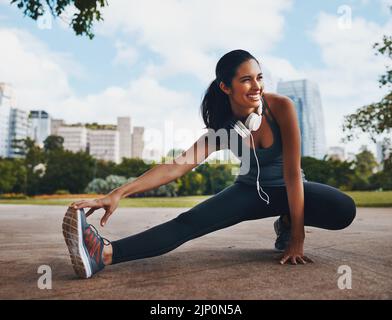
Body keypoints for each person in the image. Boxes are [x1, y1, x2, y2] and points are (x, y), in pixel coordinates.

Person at [62, 49, 356, 279]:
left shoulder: (281, 107)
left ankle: (287, 223)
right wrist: (118, 193)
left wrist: (297, 238)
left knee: (344, 209)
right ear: (225, 87)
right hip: (249, 192)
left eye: (259, 77)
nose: (257, 87)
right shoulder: (223, 129)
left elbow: (292, 175)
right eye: (246, 80)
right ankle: (103, 253)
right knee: (187, 223)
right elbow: (176, 166)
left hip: (290, 187)